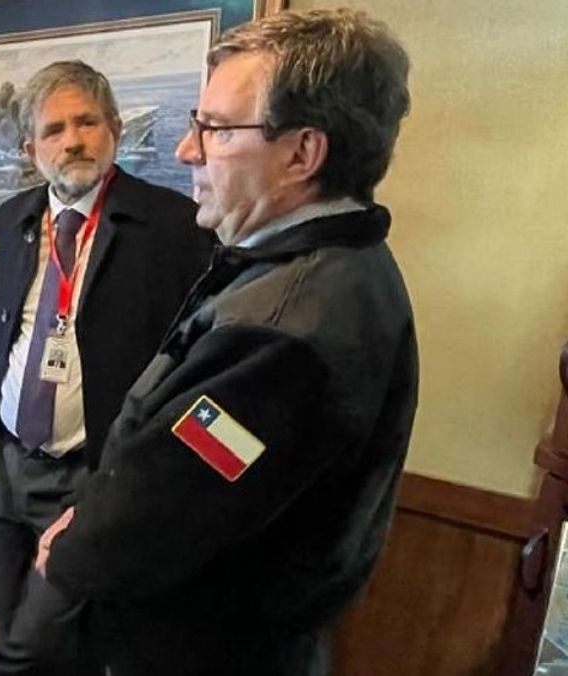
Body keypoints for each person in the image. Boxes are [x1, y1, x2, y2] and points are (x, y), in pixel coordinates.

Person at [35, 9, 417, 675]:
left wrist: (71, 549)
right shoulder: (332, 265)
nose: (187, 150)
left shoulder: (282, 335)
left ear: (301, 153)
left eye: (215, 129)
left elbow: (156, 519)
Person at [0, 60, 214, 674]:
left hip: (92, 476)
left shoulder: (173, 226)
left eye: (87, 122)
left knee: (81, 638)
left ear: (114, 129)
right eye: (54, 129)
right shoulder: (14, 218)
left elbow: (194, 349)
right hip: (6, 462)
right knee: (13, 616)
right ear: (31, 150)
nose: (73, 140)